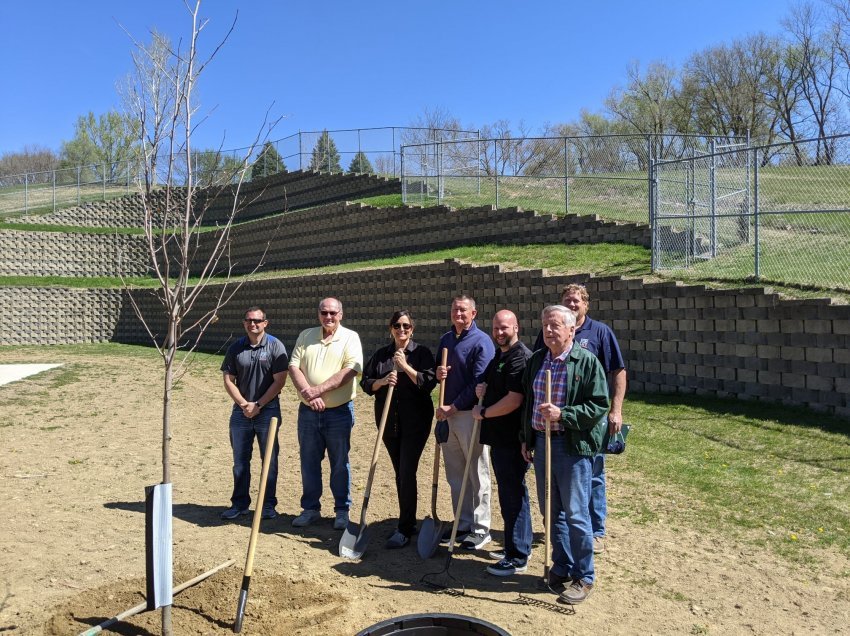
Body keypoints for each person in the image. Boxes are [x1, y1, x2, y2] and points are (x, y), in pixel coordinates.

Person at [521, 305, 609, 604]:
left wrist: (563, 414)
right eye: (545, 324)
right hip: (542, 444)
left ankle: (584, 576)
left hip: (570, 446)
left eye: (555, 325)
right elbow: (528, 404)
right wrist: (527, 437)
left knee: (575, 513)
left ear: (571, 330)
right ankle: (562, 565)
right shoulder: (537, 361)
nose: (548, 330)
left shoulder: (586, 362)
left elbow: (599, 405)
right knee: (551, 511)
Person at [533, 284, 626, 554]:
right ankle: (565, 547)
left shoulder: (600, 333)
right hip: (554, 427)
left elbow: (618, 372)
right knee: (561, 491)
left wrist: (615, 410)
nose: (572, 304)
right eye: (567, 300)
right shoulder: (552, 329)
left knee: (593, 475)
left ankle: (595, 530)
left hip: (587, 424)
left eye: (576, 301)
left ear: (586, 304)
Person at [360, 310, 437, 548]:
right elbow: (366, 382)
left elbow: (428, 383)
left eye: (406, 326)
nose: (401, 330)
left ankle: (404, 528)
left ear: (412, 329)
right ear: (390, 328)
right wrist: (381, 382)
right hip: (388, 423)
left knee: (406, 471)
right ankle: (409, 520)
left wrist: (406, 367)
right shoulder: (382, 355)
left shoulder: (421, 353)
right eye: (396, 326)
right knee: (400, 472)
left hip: (416, 424)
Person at [288, 298, 363, 530]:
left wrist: (318, 390)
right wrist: (308, 394)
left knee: (340, 463)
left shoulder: (350, 337)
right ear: (318, 313)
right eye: (324, 313)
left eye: (332, 313)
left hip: (339, 412)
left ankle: (342, 511)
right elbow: (293, 366)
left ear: (341, 314)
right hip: (308, 412)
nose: (328, 317)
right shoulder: (306, 336)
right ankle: (310, 509)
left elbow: (351, 370)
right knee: (309, 462)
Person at [471, 310, 532, 577]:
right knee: (508, 494)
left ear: (516, 327)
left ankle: (518, 556)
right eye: (495, 328)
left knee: (513, 495)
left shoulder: (520, 357)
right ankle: (513, 547)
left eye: (504, 328)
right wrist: (482, 391)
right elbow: (494, 385)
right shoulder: (501, 355)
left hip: (512, 439)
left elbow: (514, 400)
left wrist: (483, 412)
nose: (499, 333)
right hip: (499, 439)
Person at [435, 294, 495, 549]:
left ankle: (481, 528)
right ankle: (463, 522)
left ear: (474, 313)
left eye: (463, 311)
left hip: (470, 414)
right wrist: (439, 373)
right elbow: (440, 374)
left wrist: (455, 406)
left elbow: (478, 382)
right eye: (454, 310)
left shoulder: (482, 342)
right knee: (456, 473)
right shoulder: (446, 340)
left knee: (477, 472)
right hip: (447, 415)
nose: (458, 314)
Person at [220, 306, 289, 520]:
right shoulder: (236, 348)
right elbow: (228, 379)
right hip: (241, 413)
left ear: (265, 323)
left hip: (268, 412)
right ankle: (239, 504)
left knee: (269, 461)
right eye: (249, 320)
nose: (253, 324)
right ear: (244, 323)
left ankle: (267, 506)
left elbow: (280, 381)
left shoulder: (276, 346)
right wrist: (243, 404)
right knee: (240, 462)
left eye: (258, 320)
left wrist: (258, 404)